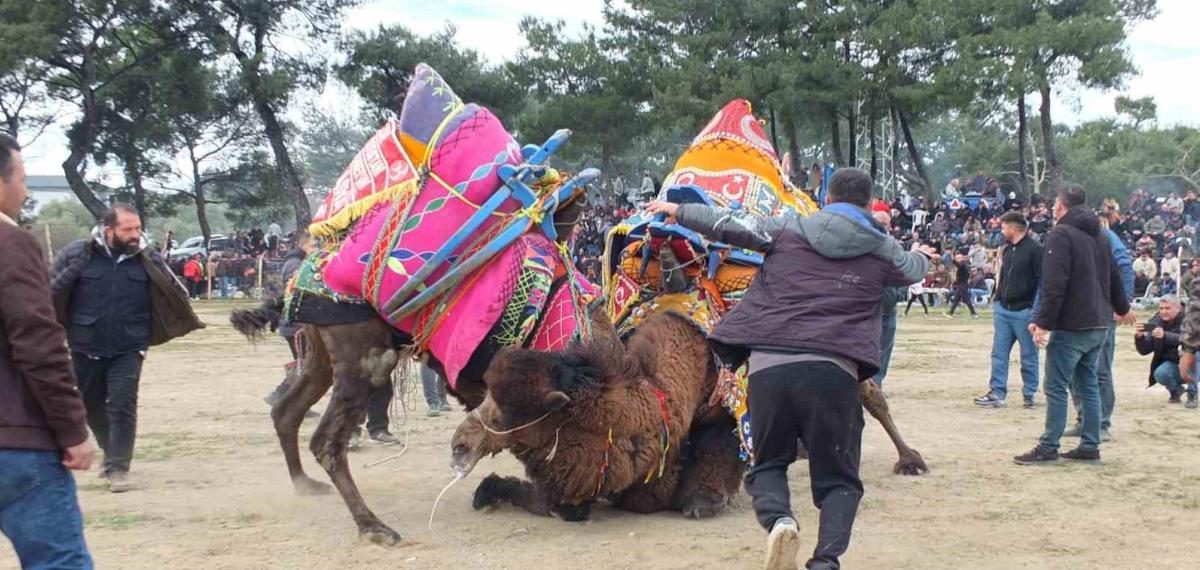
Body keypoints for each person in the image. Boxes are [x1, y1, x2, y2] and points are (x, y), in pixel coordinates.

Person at [646, 168, 931, 570]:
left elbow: (728, 224)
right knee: (839, 482)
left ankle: (780, 521)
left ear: (827, 199)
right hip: (834, 372)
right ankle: (826, 560)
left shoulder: (787, 229)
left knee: (768, 466)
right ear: (869, 205)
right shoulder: (882, 249)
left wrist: (679, 209)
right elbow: (914, 269)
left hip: (768, 368)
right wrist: (923, 255)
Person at [50, 204, 204, 492]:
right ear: (109, 230)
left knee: (122, 403)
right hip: (85, 343)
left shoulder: (147, 257)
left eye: (137, 228)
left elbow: (172, 292)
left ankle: (119, 468)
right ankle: (111, 453)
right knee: (90, 405)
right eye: (128, 229)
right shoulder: (77, 253)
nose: (135, 235)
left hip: (129, 344)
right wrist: (73, 270)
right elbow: (50, 292)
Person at [0, 133, 96, 568]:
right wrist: (73, 429)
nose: (25, 189)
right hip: (17, 442)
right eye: (20, 177)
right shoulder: (10, 243)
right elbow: (38, 345)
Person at [1014, 186, 1132, 465]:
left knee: (1055, 385)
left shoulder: (1061, 234)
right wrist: (1122, 308)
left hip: (1074, 323)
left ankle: (1049, 446)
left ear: (1060, 207)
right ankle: (1090, 445)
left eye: (1055, 205)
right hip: (1099, 322)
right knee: (1088, 384)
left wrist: (1042, 322)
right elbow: (1115, 275)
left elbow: (1055, 283)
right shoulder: (1102, 235)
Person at [1064, 222, 1135, 441]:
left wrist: (1122, 303)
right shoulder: (1063, 235)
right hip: (1074, 314)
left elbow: (1123, 264)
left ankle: (1102, 423)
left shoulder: (1103, 235)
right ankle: (1083, 419)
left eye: (1058, 207)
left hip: (1101, 312)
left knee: (1099, 369)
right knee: (1073, 369)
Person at [976, 212, 1042, 409]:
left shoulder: (1035, 250)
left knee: (1029, 355)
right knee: (998, 353)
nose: (1001, 230)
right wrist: (998, 298)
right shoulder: (1006, 250)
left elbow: (1041, 282)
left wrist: (1035, 311)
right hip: (1003, 309)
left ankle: (1029, 393)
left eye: (1004, 227)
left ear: (1014, 228)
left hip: (1024, 311)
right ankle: (997, 392)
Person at [1135, 297, 1195, 408]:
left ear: (1178, 308)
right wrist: (1140, 338)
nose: (1163, 311)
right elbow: (1145, 350)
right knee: (1160, 373)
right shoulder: (1157, 322)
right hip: (1173, 362)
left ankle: (1192, 394)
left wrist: (1166, 336)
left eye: (1167, 308)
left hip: (1193, 361)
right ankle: (1175, 392)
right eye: (1161, 308)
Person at [873, 211, 906, 387]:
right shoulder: (863, 244)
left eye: (884, 223)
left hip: (888, 310)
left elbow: (905, 272)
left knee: (884, 351)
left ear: (890, 226)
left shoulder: (896, 248)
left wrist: (898, 294)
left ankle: (877, 384)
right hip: (868, 310)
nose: (880, 226)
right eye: (877, 222)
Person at [945, 253, 978, 318]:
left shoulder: (963, 265)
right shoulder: (962, 265)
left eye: (958, 258)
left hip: (963, 286)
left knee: (967, 300)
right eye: (957, 258)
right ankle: (951, 312)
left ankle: (973, 313)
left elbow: (958, 266)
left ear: (962, 258)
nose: (957, 259)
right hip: (960, 285)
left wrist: (953, 259)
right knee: (956, 300)